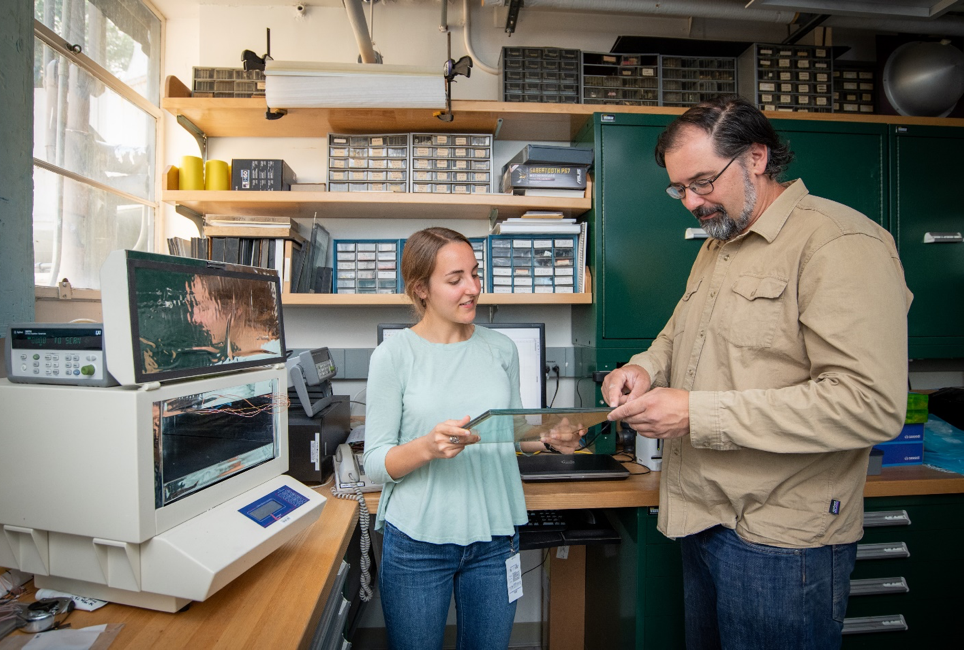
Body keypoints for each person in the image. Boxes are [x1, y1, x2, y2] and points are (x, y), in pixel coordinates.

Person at [601, 95, 912, 649]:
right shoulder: (719, 243)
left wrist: (695, 412)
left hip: (782, 538)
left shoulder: (840, 243)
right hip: (703, 515)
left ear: (757, 158)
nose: (692, 203)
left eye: (702, 182)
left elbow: (871, 404)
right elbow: (677, 335)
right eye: (680, 190)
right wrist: (642, 368)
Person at [362, 227, 580, 650]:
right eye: (456, 278)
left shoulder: (501, 349)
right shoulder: (394, 356)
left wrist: (549, 437)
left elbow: (512, 432)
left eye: (475, 275)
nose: (473, 289)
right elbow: (375, 462)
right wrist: (427, 447)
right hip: (418, 543)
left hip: (495, 538)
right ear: (421, 288)